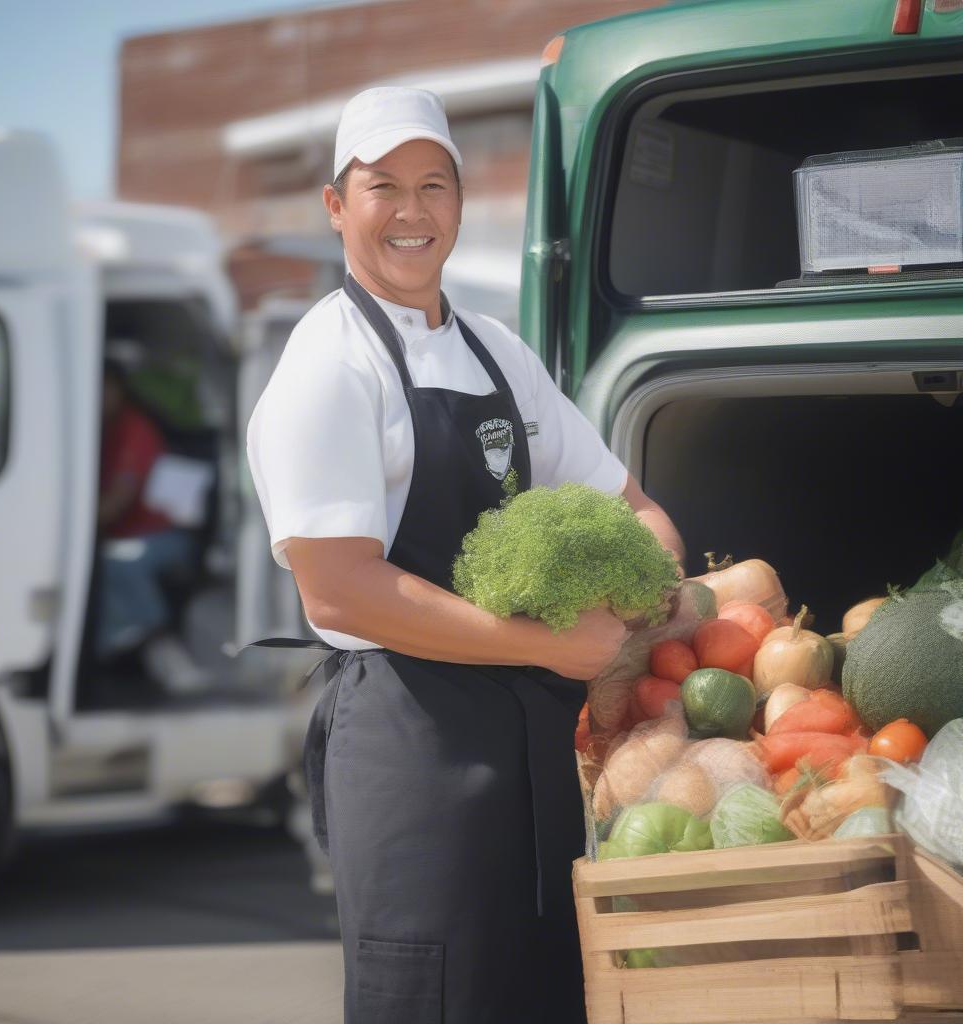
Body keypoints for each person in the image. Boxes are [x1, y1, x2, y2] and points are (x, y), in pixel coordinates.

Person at [245, 87, 685, 1024]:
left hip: (542, 768)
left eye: (433, 185)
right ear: (337, 205)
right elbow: (344, 588)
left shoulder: (498, 354)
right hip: (415, 756)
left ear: (458, 201)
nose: (413, 212)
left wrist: (650, 590)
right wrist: (544, 643)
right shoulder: (329, 364)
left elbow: (637, 510)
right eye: (383, 187)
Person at [96, 358, 212, 694]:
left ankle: (162, 649)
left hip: (162, 536)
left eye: (106, 387)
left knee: (117, 565)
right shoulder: (99, 430)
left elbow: (121, 496)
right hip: (123, 535)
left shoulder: (135, 429)